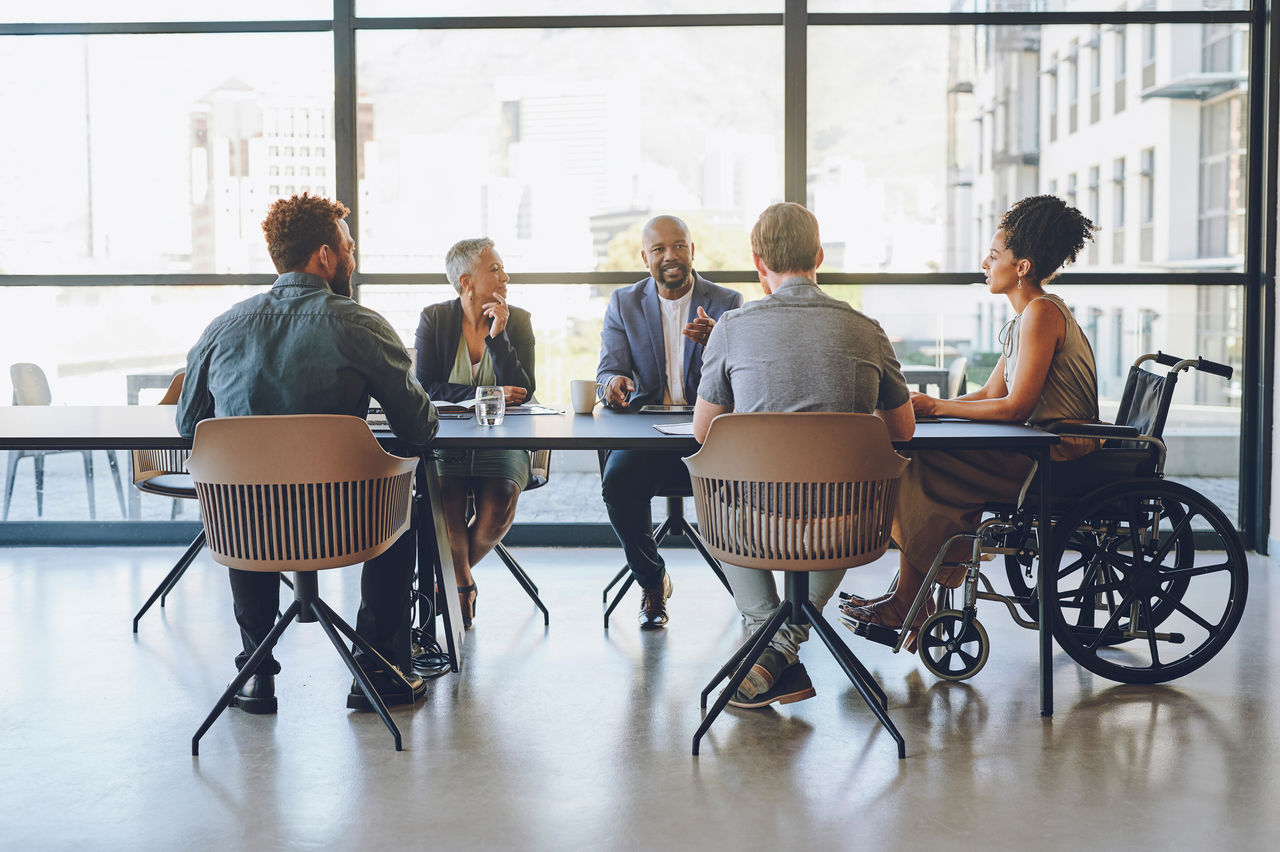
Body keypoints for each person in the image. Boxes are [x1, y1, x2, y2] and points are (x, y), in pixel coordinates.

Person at [177, 194, 438, 715]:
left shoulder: (222, 328)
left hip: (246, 530)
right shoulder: (360, 325)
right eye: (349, 247)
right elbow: (420, 427)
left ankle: (255, 672)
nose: (353, 257)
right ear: (325, 256)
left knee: (245, 489)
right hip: (347, 526)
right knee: (403, 489)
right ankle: (378, 672)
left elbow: (190, 426)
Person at [841, 194, 1099, 646]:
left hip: (1058, 454)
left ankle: (911, 603)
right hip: (1037, 446)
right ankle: (913, 599)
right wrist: (933, 405)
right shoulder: (1027, 317)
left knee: (917, 463)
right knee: (919, 454)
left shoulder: (1041, 313)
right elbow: (987, 395)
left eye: (995, 255)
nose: (985, 261)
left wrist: (938, 408)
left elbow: (1016, 407)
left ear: (1021, 266)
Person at [693, 202, 916, 708]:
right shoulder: (867, 329)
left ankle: (766, 638)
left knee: (715, 479)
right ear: (818, 255)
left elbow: (704, 432)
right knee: (845, 492)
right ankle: (780, 648)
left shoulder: (731, 327)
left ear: (758, 263)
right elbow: (903, 430)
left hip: (752, 525)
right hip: (847, 526)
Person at [597, 215, 743, 629]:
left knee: (748, 480)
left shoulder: (727, 302)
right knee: (618, 482)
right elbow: (606, 371)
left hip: (710, 434)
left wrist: (719, 341)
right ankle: (652, 580)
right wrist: (614, 383)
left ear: (692, 250)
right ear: (645, 258)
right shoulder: (624, 303)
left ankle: (751, 589)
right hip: (648, 435)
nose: (670, 256)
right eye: (659, 249)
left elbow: (747, 376)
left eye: (679, 246)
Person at [414, 238, 535, 629]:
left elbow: (524, 389)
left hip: (503, 441)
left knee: (497, 508)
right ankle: (462, 584)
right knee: (446, 509)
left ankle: (441, 581)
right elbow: (426, 387)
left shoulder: (518, 320)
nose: (506, 276)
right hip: (445, 441)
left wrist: (498, 337)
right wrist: (487, 393)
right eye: (495, 269)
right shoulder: (434, 319)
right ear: (466, 281)